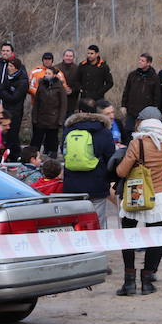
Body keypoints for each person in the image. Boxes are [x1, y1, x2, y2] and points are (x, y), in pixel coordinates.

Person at [115, 114, 162, 296]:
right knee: (156, 239)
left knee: (128, 237)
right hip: (159, 196)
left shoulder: (137, 143)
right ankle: (147, 282)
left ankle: (129, 282)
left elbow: (122, 171)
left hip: (136, 192)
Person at [63, 98, 117, 230]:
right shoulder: (103, 131)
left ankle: (79, 248)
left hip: (72, 185)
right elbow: (111, 157)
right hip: (97, 184)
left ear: (79, 111)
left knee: (76, 220)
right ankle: (99, 248)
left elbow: (64, 152)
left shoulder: (69, 130)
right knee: (97, 220)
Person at [30, 66, 67, 157]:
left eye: (49, 74)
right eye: (46, 73)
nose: (46, 75)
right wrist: (34, 117)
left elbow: (63, 105)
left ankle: (52, 161)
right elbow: (37, 102)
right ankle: (32, 158)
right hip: (41, 118)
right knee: (36, 141)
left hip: (53, 119)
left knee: (52, 142)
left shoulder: (59, 87)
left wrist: (60, 120)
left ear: (54, 75)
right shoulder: (41, 84)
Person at [121, 54, 160, 131]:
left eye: (142, 61)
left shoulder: (154, 77)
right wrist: (123, 105)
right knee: (128, 130)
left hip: (145, 112)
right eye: (139, 60)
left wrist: (155, 109)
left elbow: (157, 95)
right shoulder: (132, 75)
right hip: (131, 109)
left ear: (148, 63)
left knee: (142, 132)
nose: (140, 62)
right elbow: (126, 91)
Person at [0, 58, 29, 156]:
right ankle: (9, 155)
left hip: (15, 112)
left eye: (11, 66)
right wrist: (4, 91)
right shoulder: (8, 77)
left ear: (16, 68)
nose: (9, 68)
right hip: (6, 109)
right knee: (6, 136)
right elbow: (2, 88)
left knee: (13, 135)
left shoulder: (23, 81)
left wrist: (3, 92)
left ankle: (15, 156)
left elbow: (14, 98)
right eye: (8, 66)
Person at [56, 49, 81, 113]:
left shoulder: (78, 69)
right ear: (63, 57)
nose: (68, 58)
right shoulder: (56, 68)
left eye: (70, 56)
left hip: (72, 101)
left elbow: (80, 84)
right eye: (67, 56)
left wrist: (72, 90)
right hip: (58, 101)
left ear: (73, 57)